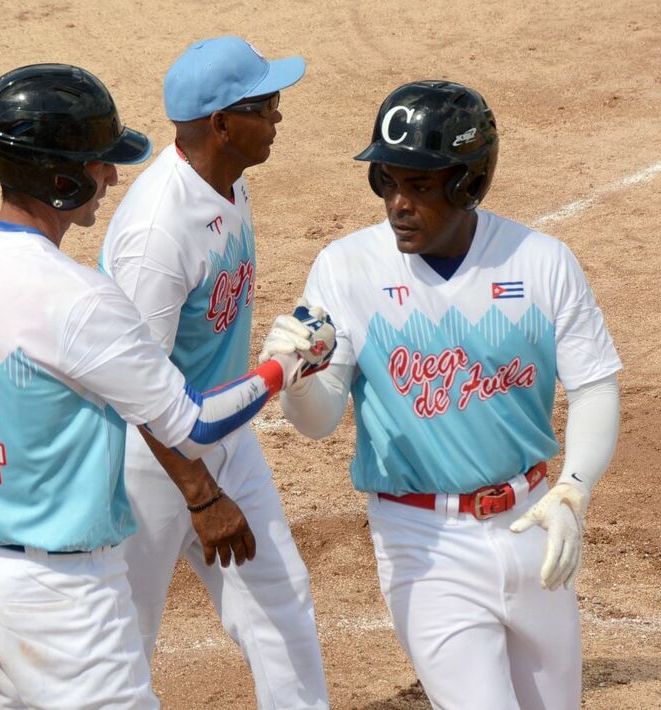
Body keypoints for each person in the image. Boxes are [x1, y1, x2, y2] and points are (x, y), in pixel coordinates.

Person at [0, 63, 331, 709]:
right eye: (99, 163)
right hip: (64, 596)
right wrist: (282, 367)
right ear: (62, 176)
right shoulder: (76, 297)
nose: (111, 175)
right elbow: (190, 423)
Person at [264, 80, 622, 709]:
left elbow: (594, 386)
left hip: (534, 520)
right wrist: (297, 380)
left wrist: (574, 489)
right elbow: (321, 421)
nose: (398, 204)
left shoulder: (541, 261)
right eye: (387, 183)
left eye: (421, 187)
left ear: (468, 182)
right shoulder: (347, 267)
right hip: (421, 540)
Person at [99, 36, 330, 708]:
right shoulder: (157, 233)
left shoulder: (228, 181)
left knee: (282, 606)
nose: (280, 116)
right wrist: (202, 495)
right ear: (221, 124)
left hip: (224, 436)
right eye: (266, 104)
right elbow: (133, 387)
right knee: (123, 643)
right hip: (146, 464)